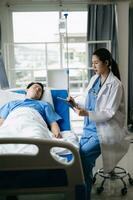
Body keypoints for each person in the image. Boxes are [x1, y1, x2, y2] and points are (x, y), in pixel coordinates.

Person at [67, 48, 129, 199]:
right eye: (92, 63)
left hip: (104, 131)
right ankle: (85, 183)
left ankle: (83, 194)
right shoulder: (95, 79)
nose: (93, 66)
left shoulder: (115, 85)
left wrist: (87, 113)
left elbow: (109, 112)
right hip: (89, 128)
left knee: (81, 158)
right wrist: (75, 102)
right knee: (81, 159)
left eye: (96, 63)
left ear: (106, 63)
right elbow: (88, 99)